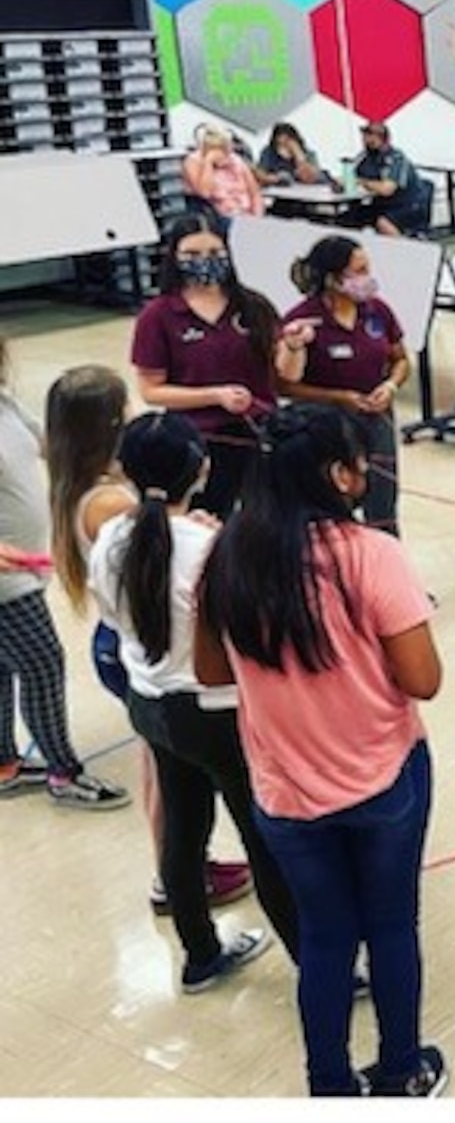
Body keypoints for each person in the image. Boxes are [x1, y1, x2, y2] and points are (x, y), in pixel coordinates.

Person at [194, 404, 445, 1097]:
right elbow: (423, 678)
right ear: (337, 474)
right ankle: (401, 1071)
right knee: (393, 927)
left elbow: (212, 673)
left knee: (326, 940)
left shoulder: (228, 555)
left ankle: (328, 1084)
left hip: (284, 790)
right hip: (382, 777)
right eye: (359, 461)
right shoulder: (370, 554)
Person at [89, 412, 300, 992]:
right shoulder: (212, 545)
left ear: (125, 474)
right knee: (264, 838)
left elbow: (111, 619)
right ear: (201, 470)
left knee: (184, 828)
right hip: (216, 712)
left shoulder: (111, 537)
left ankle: (200, 954)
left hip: (150, 702)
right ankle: (317, 962)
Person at [46, 365, 250, 901]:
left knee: (168, 766)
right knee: (168, 774)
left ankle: (185, 866)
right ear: (110, 424)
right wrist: (199, 533)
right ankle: (175, 873)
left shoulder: (91, 484)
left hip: (135, 628)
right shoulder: (114, 505)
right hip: (143, 633)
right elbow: (161, 552)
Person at [0, 340, 129, 808]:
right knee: (41, 663)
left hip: (23, 568)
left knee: (3, 667)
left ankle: (5, 762)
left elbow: (49, 445)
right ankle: (63, 772)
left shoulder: (4, 403)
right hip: (6, 581)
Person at [130, 213, 313, 519]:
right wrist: (215, 396)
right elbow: (151, 391)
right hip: (199, 440)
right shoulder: (158, 315)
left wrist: (294, 346)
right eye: (192, 254)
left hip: (258, 435)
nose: (205, 261)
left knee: (269, 520)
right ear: (174, 257)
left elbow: (287, 375)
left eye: (214, 253)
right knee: (209, 523)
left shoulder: (253, 306)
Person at [281, 236, 411, 535]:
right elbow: (284, 387)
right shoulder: (302, 321)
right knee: (328, 505)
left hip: (375, 419)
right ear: (332, 278)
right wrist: (337, 398)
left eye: (368, 269)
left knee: (383, 502)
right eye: (359, 271)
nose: (367, 278)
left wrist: (390, 385)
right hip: (325, 427)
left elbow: (401, 360)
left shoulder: (377, 310)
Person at [341, 121, 428, 237]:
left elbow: (387, 189)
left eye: (370, 137)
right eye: (364, 136)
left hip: (408, 205)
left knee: (383, 223)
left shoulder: (397, 158)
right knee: (348, 218)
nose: (366, 141)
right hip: (381, 204)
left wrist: (361, 182)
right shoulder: (364, 157)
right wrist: (342, 181)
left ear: (382, 139)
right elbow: (352, 175)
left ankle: (402, 250)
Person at [180, 123, 265, 225]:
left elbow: (254, 192)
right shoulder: (193, 162)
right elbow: (204, 193)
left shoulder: (236, 160)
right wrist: (209, 163)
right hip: (218, 215)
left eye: (228, 150)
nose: (227, 155)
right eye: (223, 151)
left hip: (246, 213)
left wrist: (257, 217)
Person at [255, 122, 335, 188]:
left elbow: (309, 178)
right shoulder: (269, 152)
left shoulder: (307, 153)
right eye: (279, 144)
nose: (283, 148)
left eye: (286, 142)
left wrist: (297, 153)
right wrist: (274, 179)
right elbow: (260, 173)